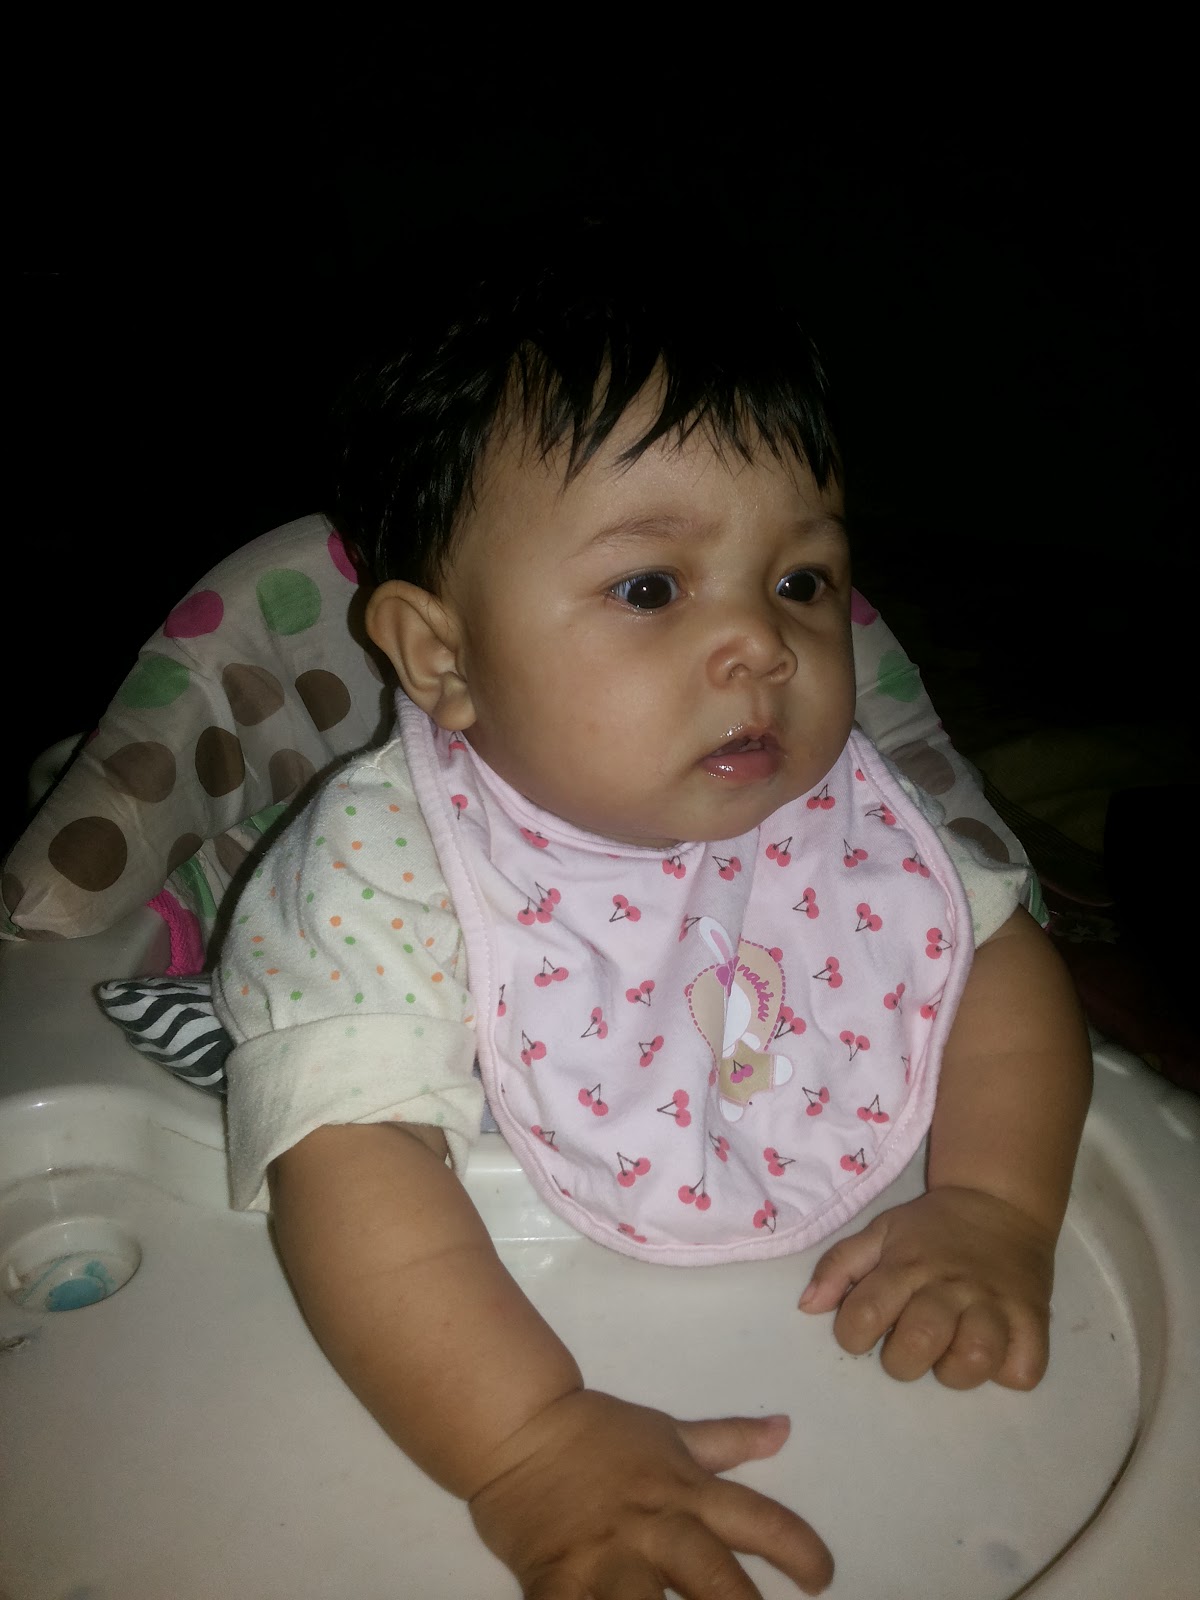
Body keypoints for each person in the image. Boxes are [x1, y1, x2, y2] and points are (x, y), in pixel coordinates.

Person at [213, 220, 1092, 1598]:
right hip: (501, 1321)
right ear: (443, 656)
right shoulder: (389, 867)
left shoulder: (830, 804)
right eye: (649, 587)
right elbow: (343, 1162)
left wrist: (995, 1203)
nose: (764, 645)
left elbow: (991, 959)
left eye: (801, 581)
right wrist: (525, 1440)